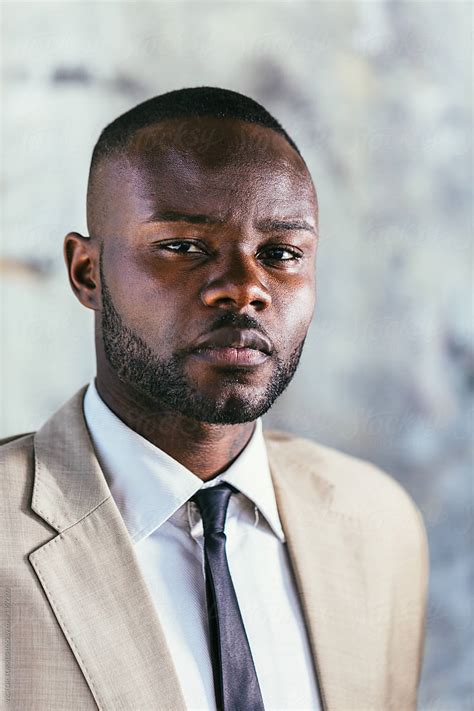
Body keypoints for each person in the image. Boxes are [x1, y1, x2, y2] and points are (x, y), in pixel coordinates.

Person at [0, 87, 428, 711]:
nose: (245, 289)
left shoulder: (379, 525)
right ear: (87, 273)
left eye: (281, 254)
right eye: (184, 247)